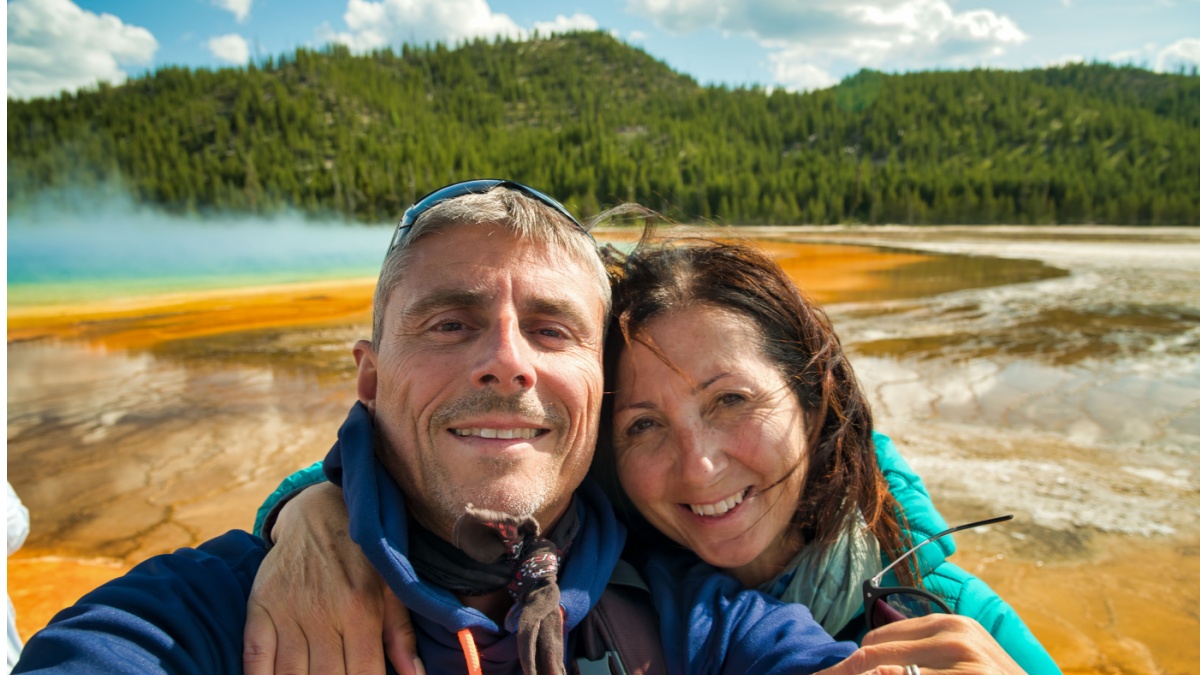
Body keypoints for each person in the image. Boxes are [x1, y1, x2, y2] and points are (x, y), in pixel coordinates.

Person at [11, 182, 854, 675]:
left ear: (600, 390)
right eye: (450, 322)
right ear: (369, 378)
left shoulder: (692, 616)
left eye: (554, 330)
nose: (507, 362)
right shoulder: (217, 613)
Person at [250, 236, 1061, 674]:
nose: (699, 468)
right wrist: (316, 514)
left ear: (815, 401)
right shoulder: (612, 538)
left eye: (731, 401)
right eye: (643, 425)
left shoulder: (943, 604)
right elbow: (439, 472)